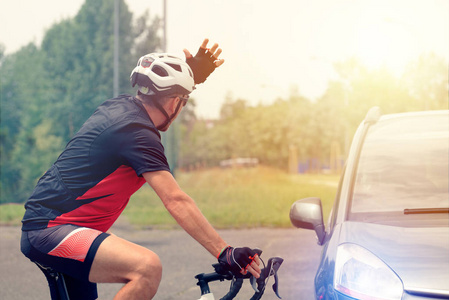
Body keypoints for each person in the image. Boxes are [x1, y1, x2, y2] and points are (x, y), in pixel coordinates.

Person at [20, 39, 261, 300]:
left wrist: (187, 78)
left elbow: (163, 96)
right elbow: (176, 200)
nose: (181, 108)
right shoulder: (137, 133)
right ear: (173, 104)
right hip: (52, 230)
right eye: (183, 101)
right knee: (146, 268)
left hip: (57, 227)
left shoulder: (120, 108)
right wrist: (224, 252)